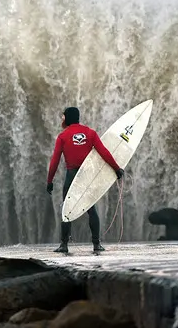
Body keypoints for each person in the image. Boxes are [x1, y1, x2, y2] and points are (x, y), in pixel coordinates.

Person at [47, 106, 124, 253]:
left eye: (63, 116)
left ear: (68, 117)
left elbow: (54, 161)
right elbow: (104, 153)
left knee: (67, 209)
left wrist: (49, 181)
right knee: (91, 209)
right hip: (87, 176)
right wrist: (116, 168)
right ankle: (96, 244)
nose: (61, 119)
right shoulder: (90, 133)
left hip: (71, 176)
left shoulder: (63, 136)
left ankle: (64, 245)